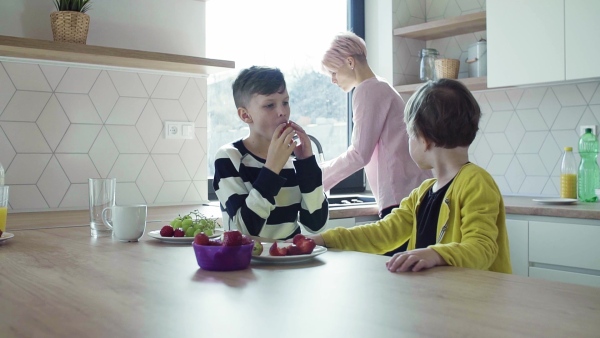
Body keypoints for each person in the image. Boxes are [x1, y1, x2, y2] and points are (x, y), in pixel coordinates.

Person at [306, 78, 512, 274]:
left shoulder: (476, 182)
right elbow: (383, 232)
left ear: (425, 139)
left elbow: (482, 249)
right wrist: (324, 239)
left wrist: (435, 254)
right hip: (442, 299)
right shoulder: (421, 193)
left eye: (410, 134)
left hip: (479, 306)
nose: (409, 141)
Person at [320, 31, 432, 222]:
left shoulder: (367, 90)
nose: (333, 80)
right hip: (414, 192)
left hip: (401, 197)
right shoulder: (381, 86)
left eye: (333, 72)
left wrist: (316, 177)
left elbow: (359, 154)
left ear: (349, 62)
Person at [213, 66, 329, 240]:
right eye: (269, 105)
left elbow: (316, 224)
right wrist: (273, 168)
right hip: (247, 264)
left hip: (290, 260)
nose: (282, 111)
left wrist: (307, 164)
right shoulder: (229, 158)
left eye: (285, 102)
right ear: (245, 115)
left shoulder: (293, 159)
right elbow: (244, 232)